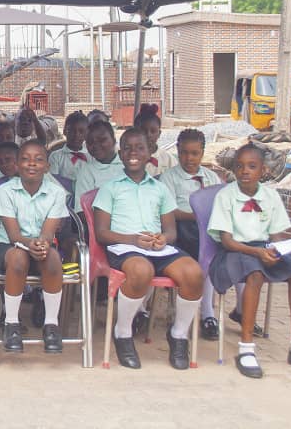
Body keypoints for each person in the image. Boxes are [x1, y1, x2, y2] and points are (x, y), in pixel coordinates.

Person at [92, 127, 204, 370]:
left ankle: (178, 335)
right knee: (141, 271)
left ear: (150, 152)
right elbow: (101, 233)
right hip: (124, 247)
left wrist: (163, 238)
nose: (133, 153)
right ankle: (123, 333)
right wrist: (133, 240)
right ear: (120, 154)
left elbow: (171, 231)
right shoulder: (110, 188)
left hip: (156, 248)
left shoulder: (160, 188)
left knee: (194, 273)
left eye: (140, 148)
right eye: (127, 148)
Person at [207, 144, 291, 378]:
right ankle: (246, 348)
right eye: (240, 166)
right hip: (235, 252)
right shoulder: (226, 195)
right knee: (255, 275)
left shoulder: (270, 196)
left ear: (264, 170)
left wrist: (276, 251)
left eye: (252, 166)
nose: (245, 171)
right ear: (233, 170)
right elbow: (226, 240)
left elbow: (276, 234)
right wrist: (257, 253)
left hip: (263, 249)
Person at [0, 140, 69, 354]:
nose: (32, 164)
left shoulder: (56, 193)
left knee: (53, 259)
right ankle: (11, 323)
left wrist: (42, 242)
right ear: (17, 164)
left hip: (40, 245)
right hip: (10, 247)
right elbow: (13, 235)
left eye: (38, 159)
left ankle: (51, 325)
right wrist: (29, 243)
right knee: (19, 259)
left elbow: (49, 232)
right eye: (25, 159)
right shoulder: (6, 190)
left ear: (47, 166)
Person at [159, 128, 223, 340]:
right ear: (177, 151)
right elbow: (169, 211)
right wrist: (197, 216)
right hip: (181, 229)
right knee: (205, 248)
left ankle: (208, 314)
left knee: (215, 246)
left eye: (195, 153)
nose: (189, 158)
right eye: (184, 153)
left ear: (202, 152)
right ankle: (205, 313)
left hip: (208, 230)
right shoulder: (169, 178)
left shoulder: (212, 177)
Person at [73, 120, 123, 213]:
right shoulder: (86, 171)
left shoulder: (127, 165)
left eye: (102, 140)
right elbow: (81, 211)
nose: (96, 145)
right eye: (90, 142)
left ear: (114, 140)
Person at [133, 104, 176, 176]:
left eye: (153, 131)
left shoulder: (169, 161)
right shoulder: (126, 160)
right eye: (143, 130)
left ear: (159, 134)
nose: (148, 135)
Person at [49, 110, 89, 183]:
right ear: (64, 131)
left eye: (81, 131)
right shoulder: (55, 157)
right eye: (72, 130)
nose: (76, 135)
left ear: (87, 134)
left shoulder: (91, 157)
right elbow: (53, 181)